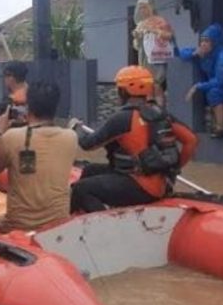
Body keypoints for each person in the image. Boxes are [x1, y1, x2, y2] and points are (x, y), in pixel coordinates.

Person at [68, 66, 198, 213]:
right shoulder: (161, 114)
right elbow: (191, 140)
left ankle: (106, 225)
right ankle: (82, 214)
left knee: (81, 189)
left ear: (123, 91)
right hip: (163, 184)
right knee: (91, 170)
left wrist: (76, 128)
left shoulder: (123, 118)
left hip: (141, 187)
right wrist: (174, 168)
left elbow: (88, 144)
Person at [0, 81, 78, 233]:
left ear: (28, 106)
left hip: (18, 224)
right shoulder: (71, 137)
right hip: (58, 222)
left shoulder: (13, 137)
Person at [131, 0, 175, 106]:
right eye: (140, 7)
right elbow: (136, 46)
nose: (142, 10)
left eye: (144, 7)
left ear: (151, 7)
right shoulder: (141, 24)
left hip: (157, 58)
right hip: (144, 57)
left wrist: (154, 30)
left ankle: (160, 110)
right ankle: (149, 110)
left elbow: (169, 36)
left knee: (157, 84)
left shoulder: (161, 21)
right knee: (147, 85)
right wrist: (137, 37)